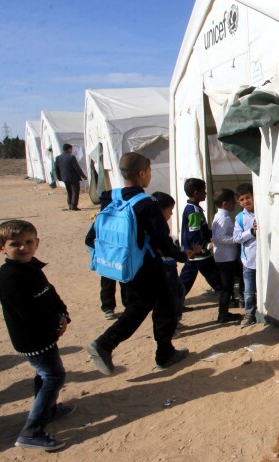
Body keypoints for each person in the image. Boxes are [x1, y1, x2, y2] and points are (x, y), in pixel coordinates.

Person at [85, 152, 190, 374]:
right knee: (160, 306)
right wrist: (182, 255)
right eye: (150, 171)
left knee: (142, 305)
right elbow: (161, 240)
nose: (150, 176)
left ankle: (164, 350)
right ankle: (107, 343)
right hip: (147, 266)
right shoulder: (147, 203)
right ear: (142, 173)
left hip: (122, 263)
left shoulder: (110, 197)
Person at [0, 219, 75, 451]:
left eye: (29, 242)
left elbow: (49, 293)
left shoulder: (30, 267)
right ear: (2, 248)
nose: (24, 248)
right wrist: (53, 325)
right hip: (33, 337)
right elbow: (28, 312)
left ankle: (48, 410)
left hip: (46, 334)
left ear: (37, 243)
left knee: (45, 374)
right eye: (15, 244)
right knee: (54, 376)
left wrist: (62, 313)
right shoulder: (10, 276)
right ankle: (32, 431)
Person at [152, 191, 194, 332]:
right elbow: (164, 247)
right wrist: (182, 255)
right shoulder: (156, 227)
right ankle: (169, 327)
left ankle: (174, 322)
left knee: (179, 291)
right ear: (161, 210)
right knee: (169, 298)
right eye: (170, 210)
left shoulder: (160, 225)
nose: (171, 214)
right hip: (163, 267)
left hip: (169, 265)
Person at [179, 178, 222, 297]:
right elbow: (194, 233)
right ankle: (225, 298)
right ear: (196, 193)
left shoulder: (194, 208)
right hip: (198, 252)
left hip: (192, 252)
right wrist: (206, 245)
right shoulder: (193, 211)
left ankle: (176, 301)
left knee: (186, 278)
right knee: (213, 275)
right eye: (204, 191)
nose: (206, 193)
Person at [212, 188, 240, 324]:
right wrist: (237, 238)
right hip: (226, 258)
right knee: (227, 287)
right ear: (225, 203)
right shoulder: (223, 218)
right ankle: (223, 314)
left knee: (228, 285)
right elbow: (220, 237)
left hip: (224, 257)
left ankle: (225, 312)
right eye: (232, 201)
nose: (234, 203)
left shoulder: (220, 216)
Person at [233, 182, 258, 328]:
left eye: (248, 197)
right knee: (249, 290)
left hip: (265, 260)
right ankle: (249, 313)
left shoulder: (263, 211)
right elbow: (236, 237)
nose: (245, 202)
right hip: (249, 260)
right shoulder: (240, 218)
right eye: (242, 200)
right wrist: (251, 232)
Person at [54, 143, 87, 211]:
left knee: (69, 192)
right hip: (73, 177)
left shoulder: (58, 158)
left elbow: (56, 169)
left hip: (65, 178)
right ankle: (74, 206)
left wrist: (59, 177)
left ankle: (70, 205)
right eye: (71, 149)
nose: (71, 150)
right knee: (75, 191)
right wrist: (83, 176)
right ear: (69, 149)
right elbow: (77, 168)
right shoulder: (71, 157)